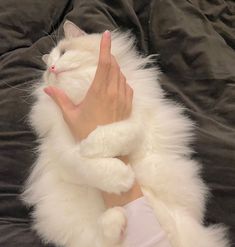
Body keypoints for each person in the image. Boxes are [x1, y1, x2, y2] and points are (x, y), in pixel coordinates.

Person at [44, 30, 172, 247]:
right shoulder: (51, 119)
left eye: (63, 51)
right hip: (90, 215)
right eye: (47, 68)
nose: (53, 67)